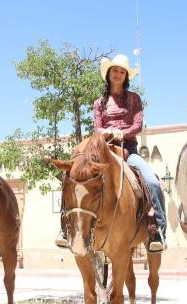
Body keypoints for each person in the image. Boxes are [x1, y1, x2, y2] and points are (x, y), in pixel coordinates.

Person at [56, 54, 166, 253]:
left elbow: (138, 125)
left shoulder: (134, 99)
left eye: (122, 71)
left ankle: (157, 229)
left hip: (127, 151)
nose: (118, 74)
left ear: (126, 76)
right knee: (72, 178)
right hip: (104, 151)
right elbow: (97, 127)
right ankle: (65, 227)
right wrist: (105, 133)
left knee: (152, 182)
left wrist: (121, 133)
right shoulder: (99, 102)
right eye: (114, 70)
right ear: (108, 74)